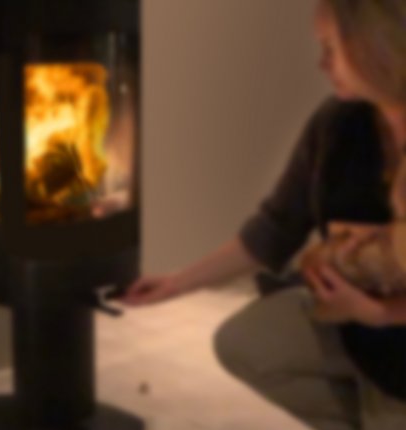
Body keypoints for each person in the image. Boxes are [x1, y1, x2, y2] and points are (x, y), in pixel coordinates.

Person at [121, 1, 406, 429]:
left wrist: (379, 314)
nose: (321, 63)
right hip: (354, 331)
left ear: (371, 44)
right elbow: (275, 229)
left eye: (331, 47)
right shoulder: (336, 125)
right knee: (246, 342)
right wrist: (177, 283)